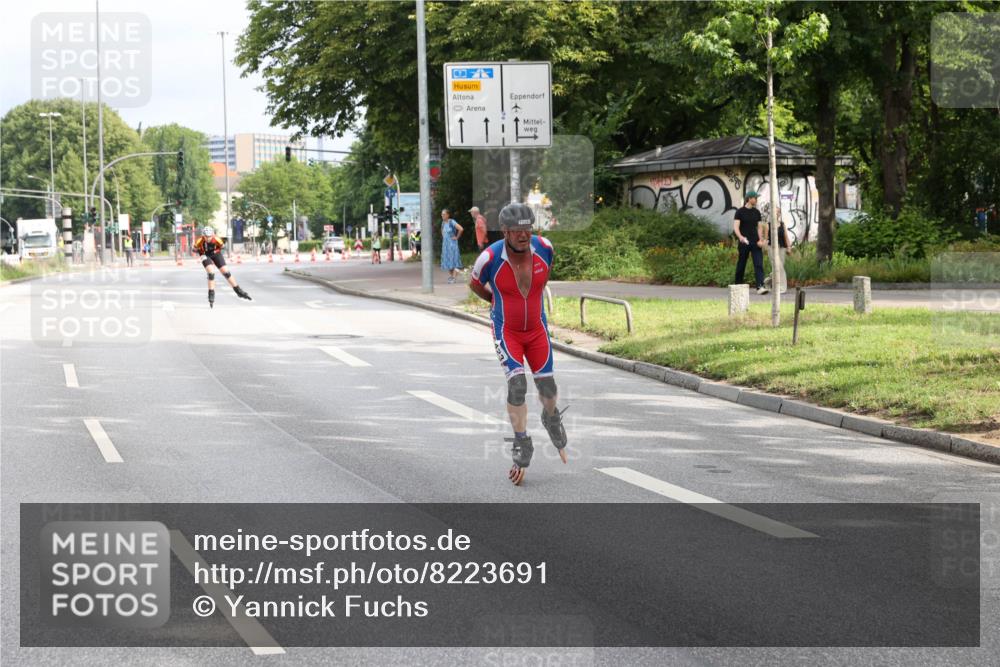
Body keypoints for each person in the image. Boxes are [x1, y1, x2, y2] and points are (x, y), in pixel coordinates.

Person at [469, 203, 568, 486]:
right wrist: (497, 302)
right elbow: (475, 285)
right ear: (505, 232)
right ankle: (522, 442)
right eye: (516, 231)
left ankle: (551, 419)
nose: (524, 235)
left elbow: (541, 280)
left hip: (536, 330)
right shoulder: (488, 259)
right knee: (517, 385)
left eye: (527, 229)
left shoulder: (545, 248)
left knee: (547, 387)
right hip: (507, 331)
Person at [193, 226, 252, 308]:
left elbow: (222, 247)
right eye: (206, 237)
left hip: (215, 253)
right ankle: (211, 294)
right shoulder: (199, 240)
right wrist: (198, 250)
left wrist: (215, 251)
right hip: (205, 254)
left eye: (209, 236)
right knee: (211, 273)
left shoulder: (217, 239)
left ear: (212, 235)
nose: (208, 238)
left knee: (226, 272)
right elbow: (194, 248)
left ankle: (238, 290)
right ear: (203, 236)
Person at [733, 191, 769, 295]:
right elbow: (736, 227)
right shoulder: (739, 212)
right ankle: (737, 286)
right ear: (749, 199)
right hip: (744, 242)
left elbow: (759, 227)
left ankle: (760, 286)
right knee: (741, 263)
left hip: (755, 242)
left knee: (758, 264)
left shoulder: (756, 212)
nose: (756, 200)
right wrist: (740, 237)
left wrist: (760, 240)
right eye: (755, 198)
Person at [763, 213, 794, 294]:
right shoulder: (768, 225)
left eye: (777, 213)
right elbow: (766, 239)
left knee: (779, 268)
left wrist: (789, 247)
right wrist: (765, 248)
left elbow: (786, 236)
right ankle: (782, 288)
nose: (775, 214)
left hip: (782, 248)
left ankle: (767, 282)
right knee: (780, 268)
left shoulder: (782, 224)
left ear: (779, 214)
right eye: (774, 212)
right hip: (772, 249)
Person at [440, 209, 464, 283]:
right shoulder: (443, 223)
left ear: (448, 215)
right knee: (447, 261)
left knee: (455, 260)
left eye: (444, 214)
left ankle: (454, 277)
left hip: (452, 245)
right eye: (442, 214)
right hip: (446, 245)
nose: (442, 216)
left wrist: (456, 237)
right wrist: (444, 238)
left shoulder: (452, 222)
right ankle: (451, 276)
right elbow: (442, 231)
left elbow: (461, 229)